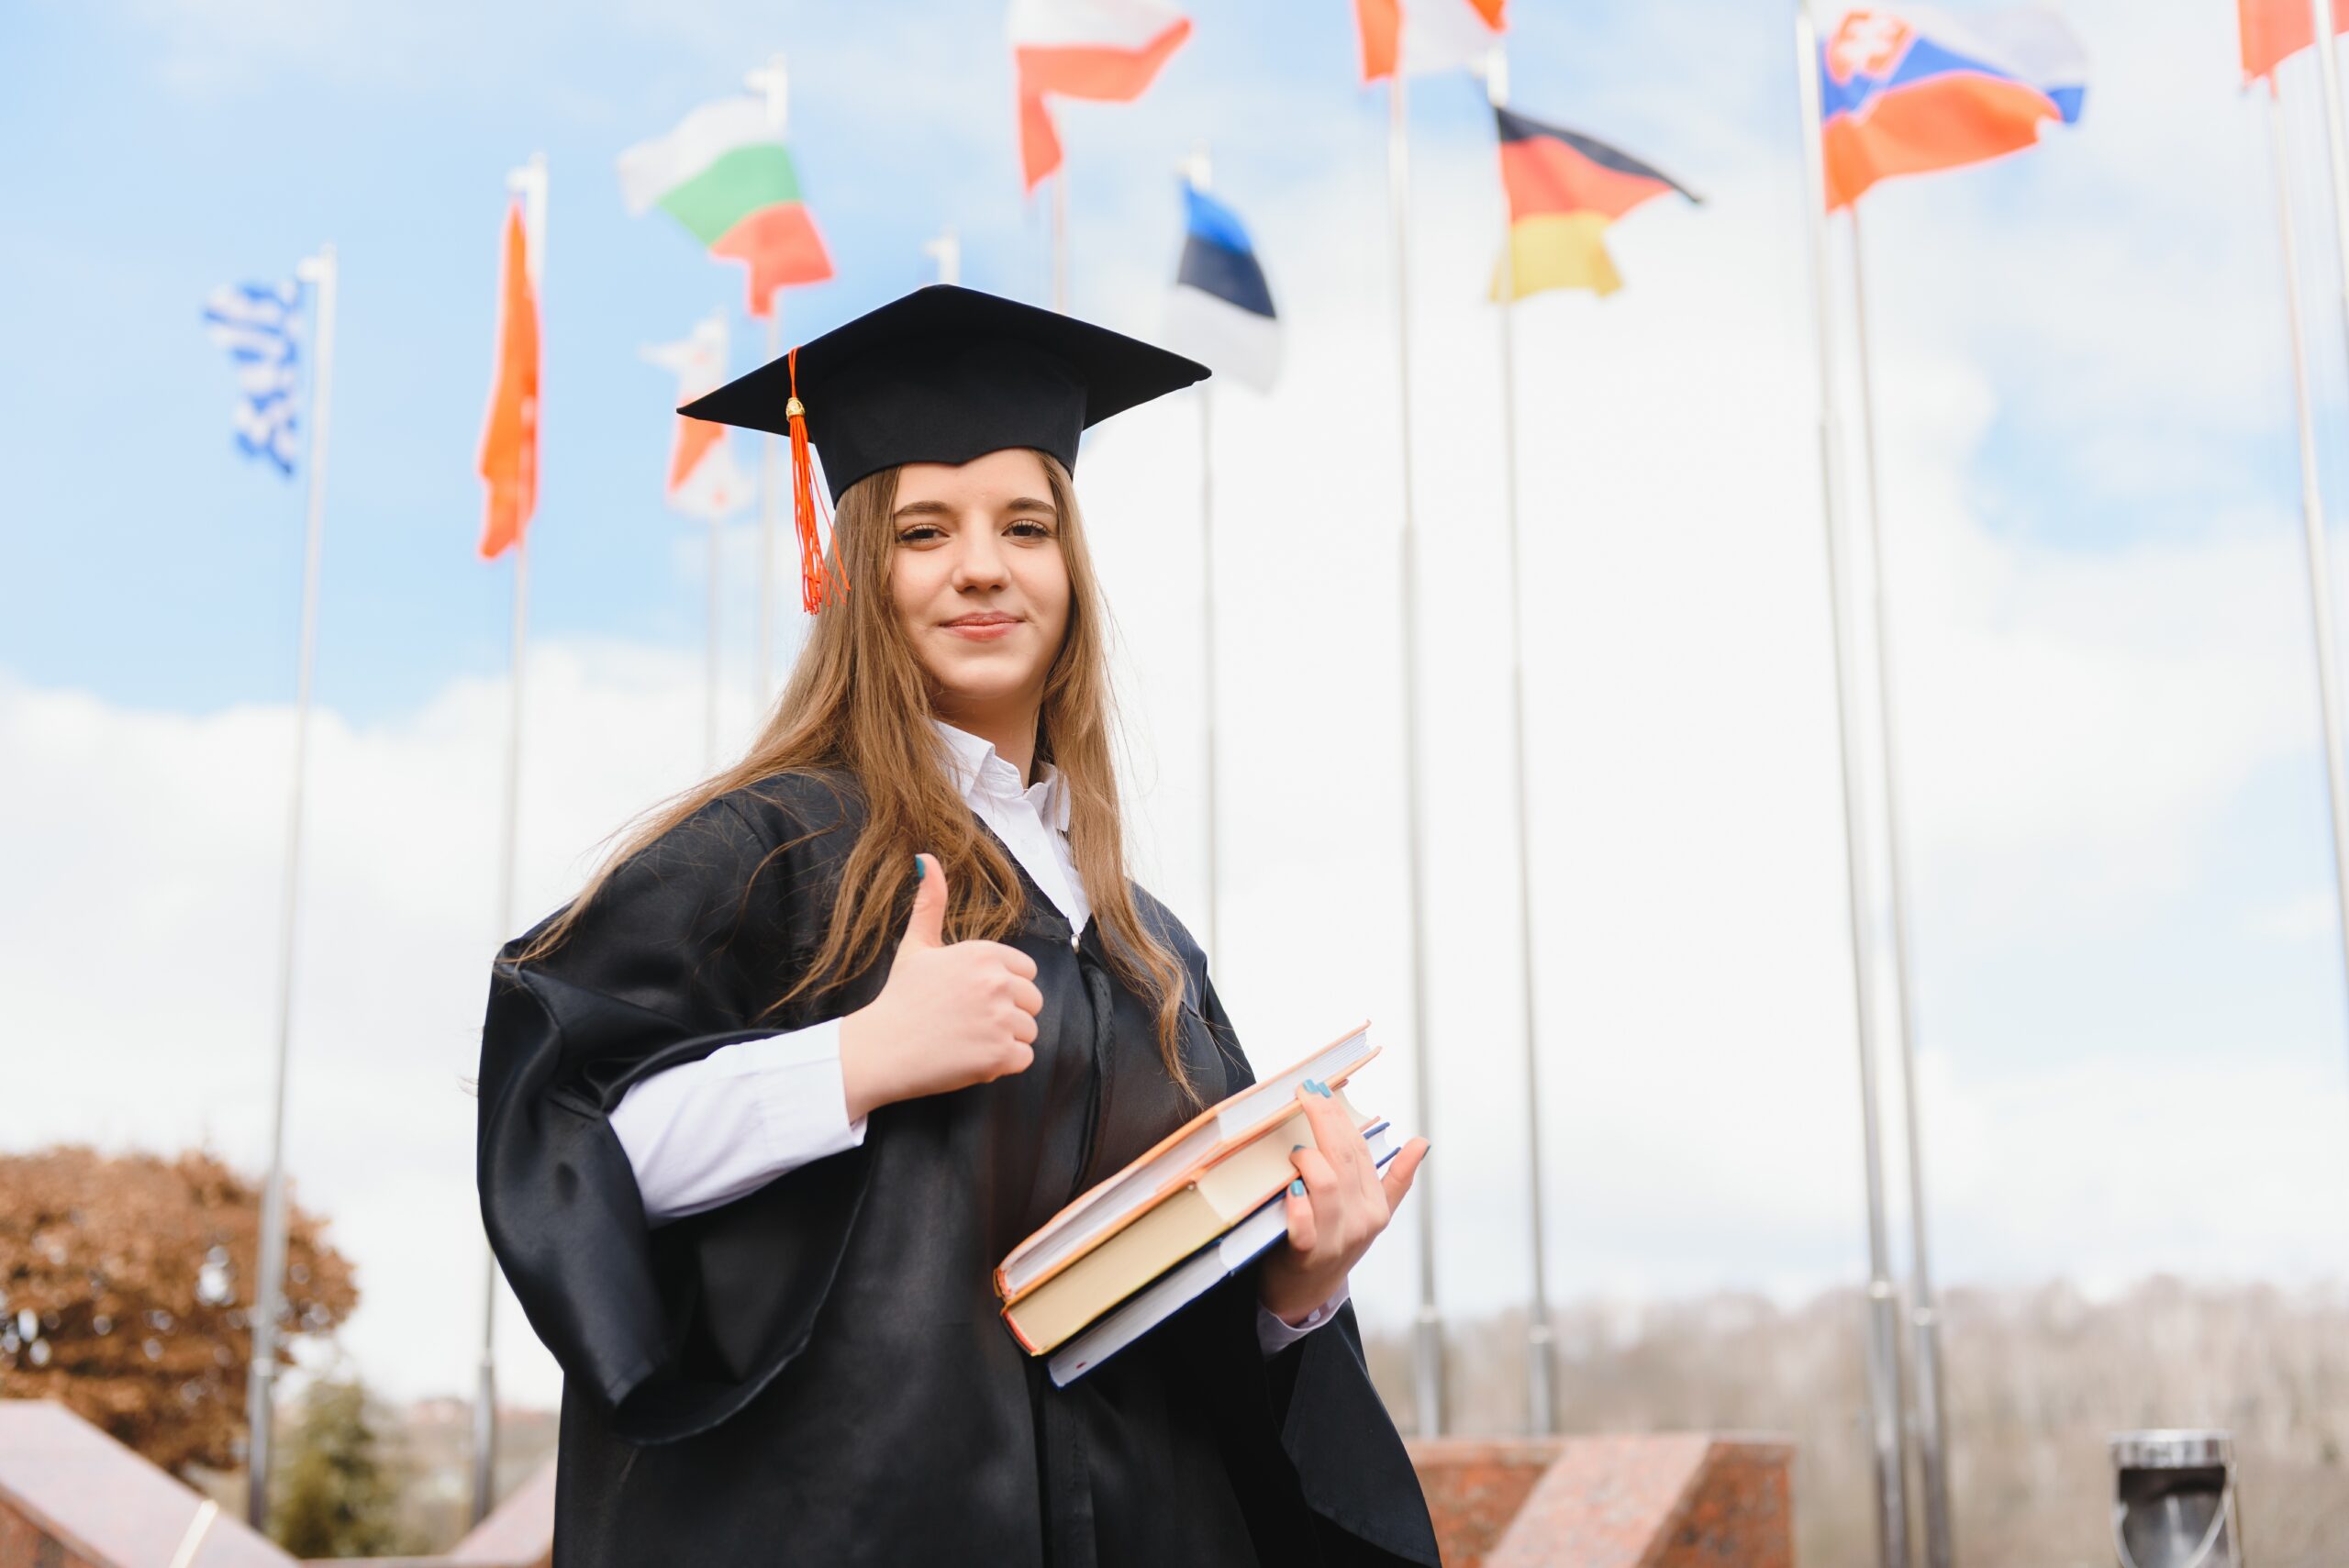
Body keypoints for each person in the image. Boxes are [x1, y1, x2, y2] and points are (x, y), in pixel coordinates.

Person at [474, 284, 1439, 1567]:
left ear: (1070, 571)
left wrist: (1297, 1288)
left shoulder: (1146, 941)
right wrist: (856, 1061)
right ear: (860, 571)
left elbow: (1181, 1355)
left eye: (1025, 526)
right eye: (924, 529)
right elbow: (568, 1151)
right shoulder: (767, 852)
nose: (982, 564)